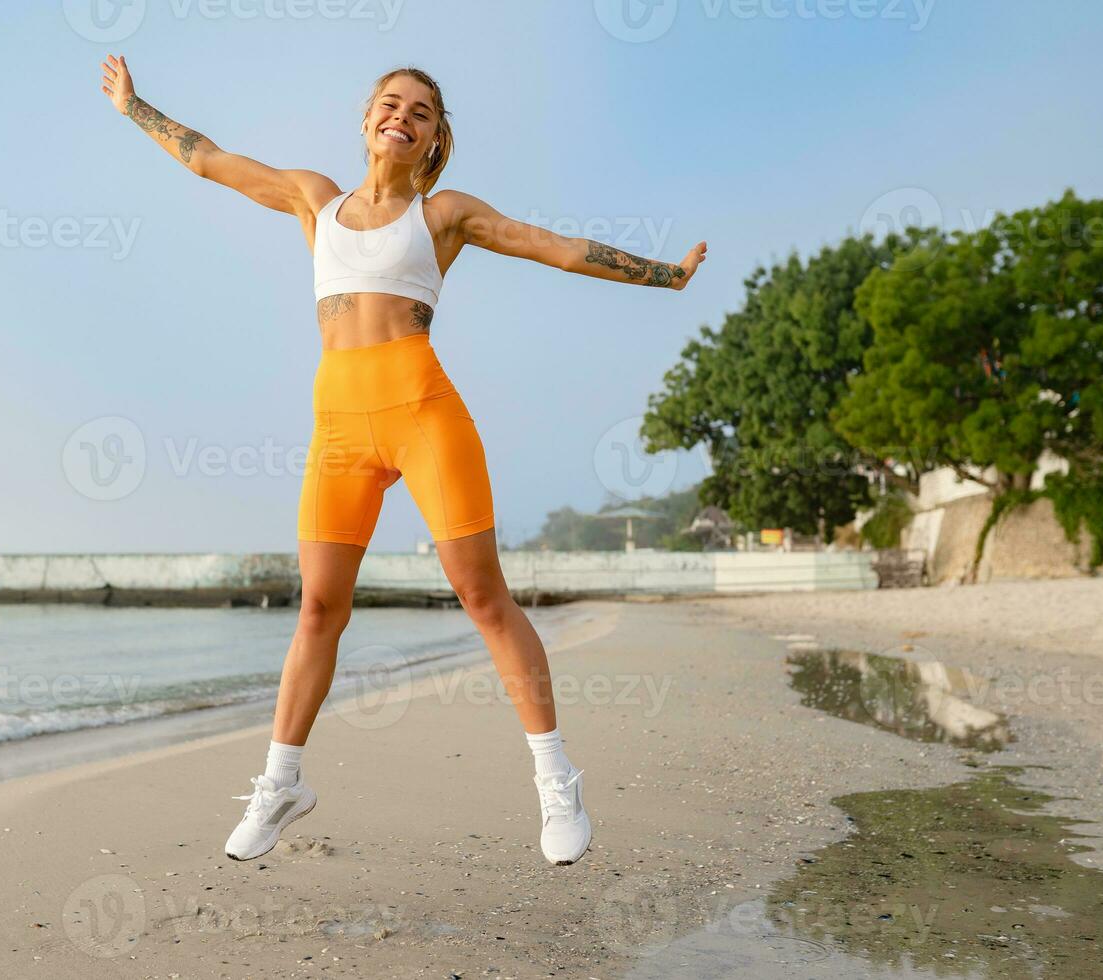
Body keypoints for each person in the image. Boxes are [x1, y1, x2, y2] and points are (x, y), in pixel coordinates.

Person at [100, 57, 707, 866]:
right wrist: (134, 106)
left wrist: (665, 277)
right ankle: (282, 782)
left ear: (432, 140)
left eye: (421, 112)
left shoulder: (443, 214)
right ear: (366, 121)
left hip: (423, 415)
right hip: (339, 427)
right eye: (391, 103)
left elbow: (555, 249)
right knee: (318, 608)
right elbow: (208, 158)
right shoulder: (314, 199)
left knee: (483, 597)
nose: (403, 116)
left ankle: (555, 781)